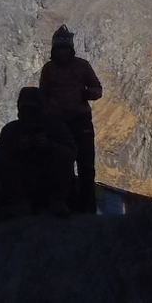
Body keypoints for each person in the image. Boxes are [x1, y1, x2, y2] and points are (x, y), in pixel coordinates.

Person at [38, 25, 103, 213]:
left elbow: (98, 89)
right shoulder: (48, 69)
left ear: (71, 48)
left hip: (80, 121)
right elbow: (43, 94)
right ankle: (64, 203)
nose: (63, 51)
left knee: (86, 165)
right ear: (54, 49)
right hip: (57, 123)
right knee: (61, 163)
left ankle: (87, 207)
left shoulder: (82, 66)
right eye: (59, 48)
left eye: (65, 48)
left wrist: (87, 94)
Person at [0, 86, 77, 217]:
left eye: (34, 109)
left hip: (48, 180)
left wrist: (50, 146)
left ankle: (57, 202)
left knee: (63, 154)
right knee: (2, 159)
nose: (30, 114)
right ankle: (18, 202)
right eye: (26, 109)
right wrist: (18, 147)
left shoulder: (55, 126)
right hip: (22, 181)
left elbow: (71, 153)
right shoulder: (11, 129)